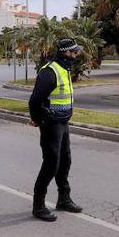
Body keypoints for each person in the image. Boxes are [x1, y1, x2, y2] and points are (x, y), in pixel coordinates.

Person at [28, 38, 85, 221]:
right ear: (65, 53)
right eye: (74, 52)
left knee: (65, 161)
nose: (76, 55)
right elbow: (35, 100)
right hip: (51, 124)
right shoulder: (49, 72)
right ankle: (38, 205)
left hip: (63, 123)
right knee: (51, 164)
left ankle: (64, 199)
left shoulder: (64, 69)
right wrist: (39, 119)